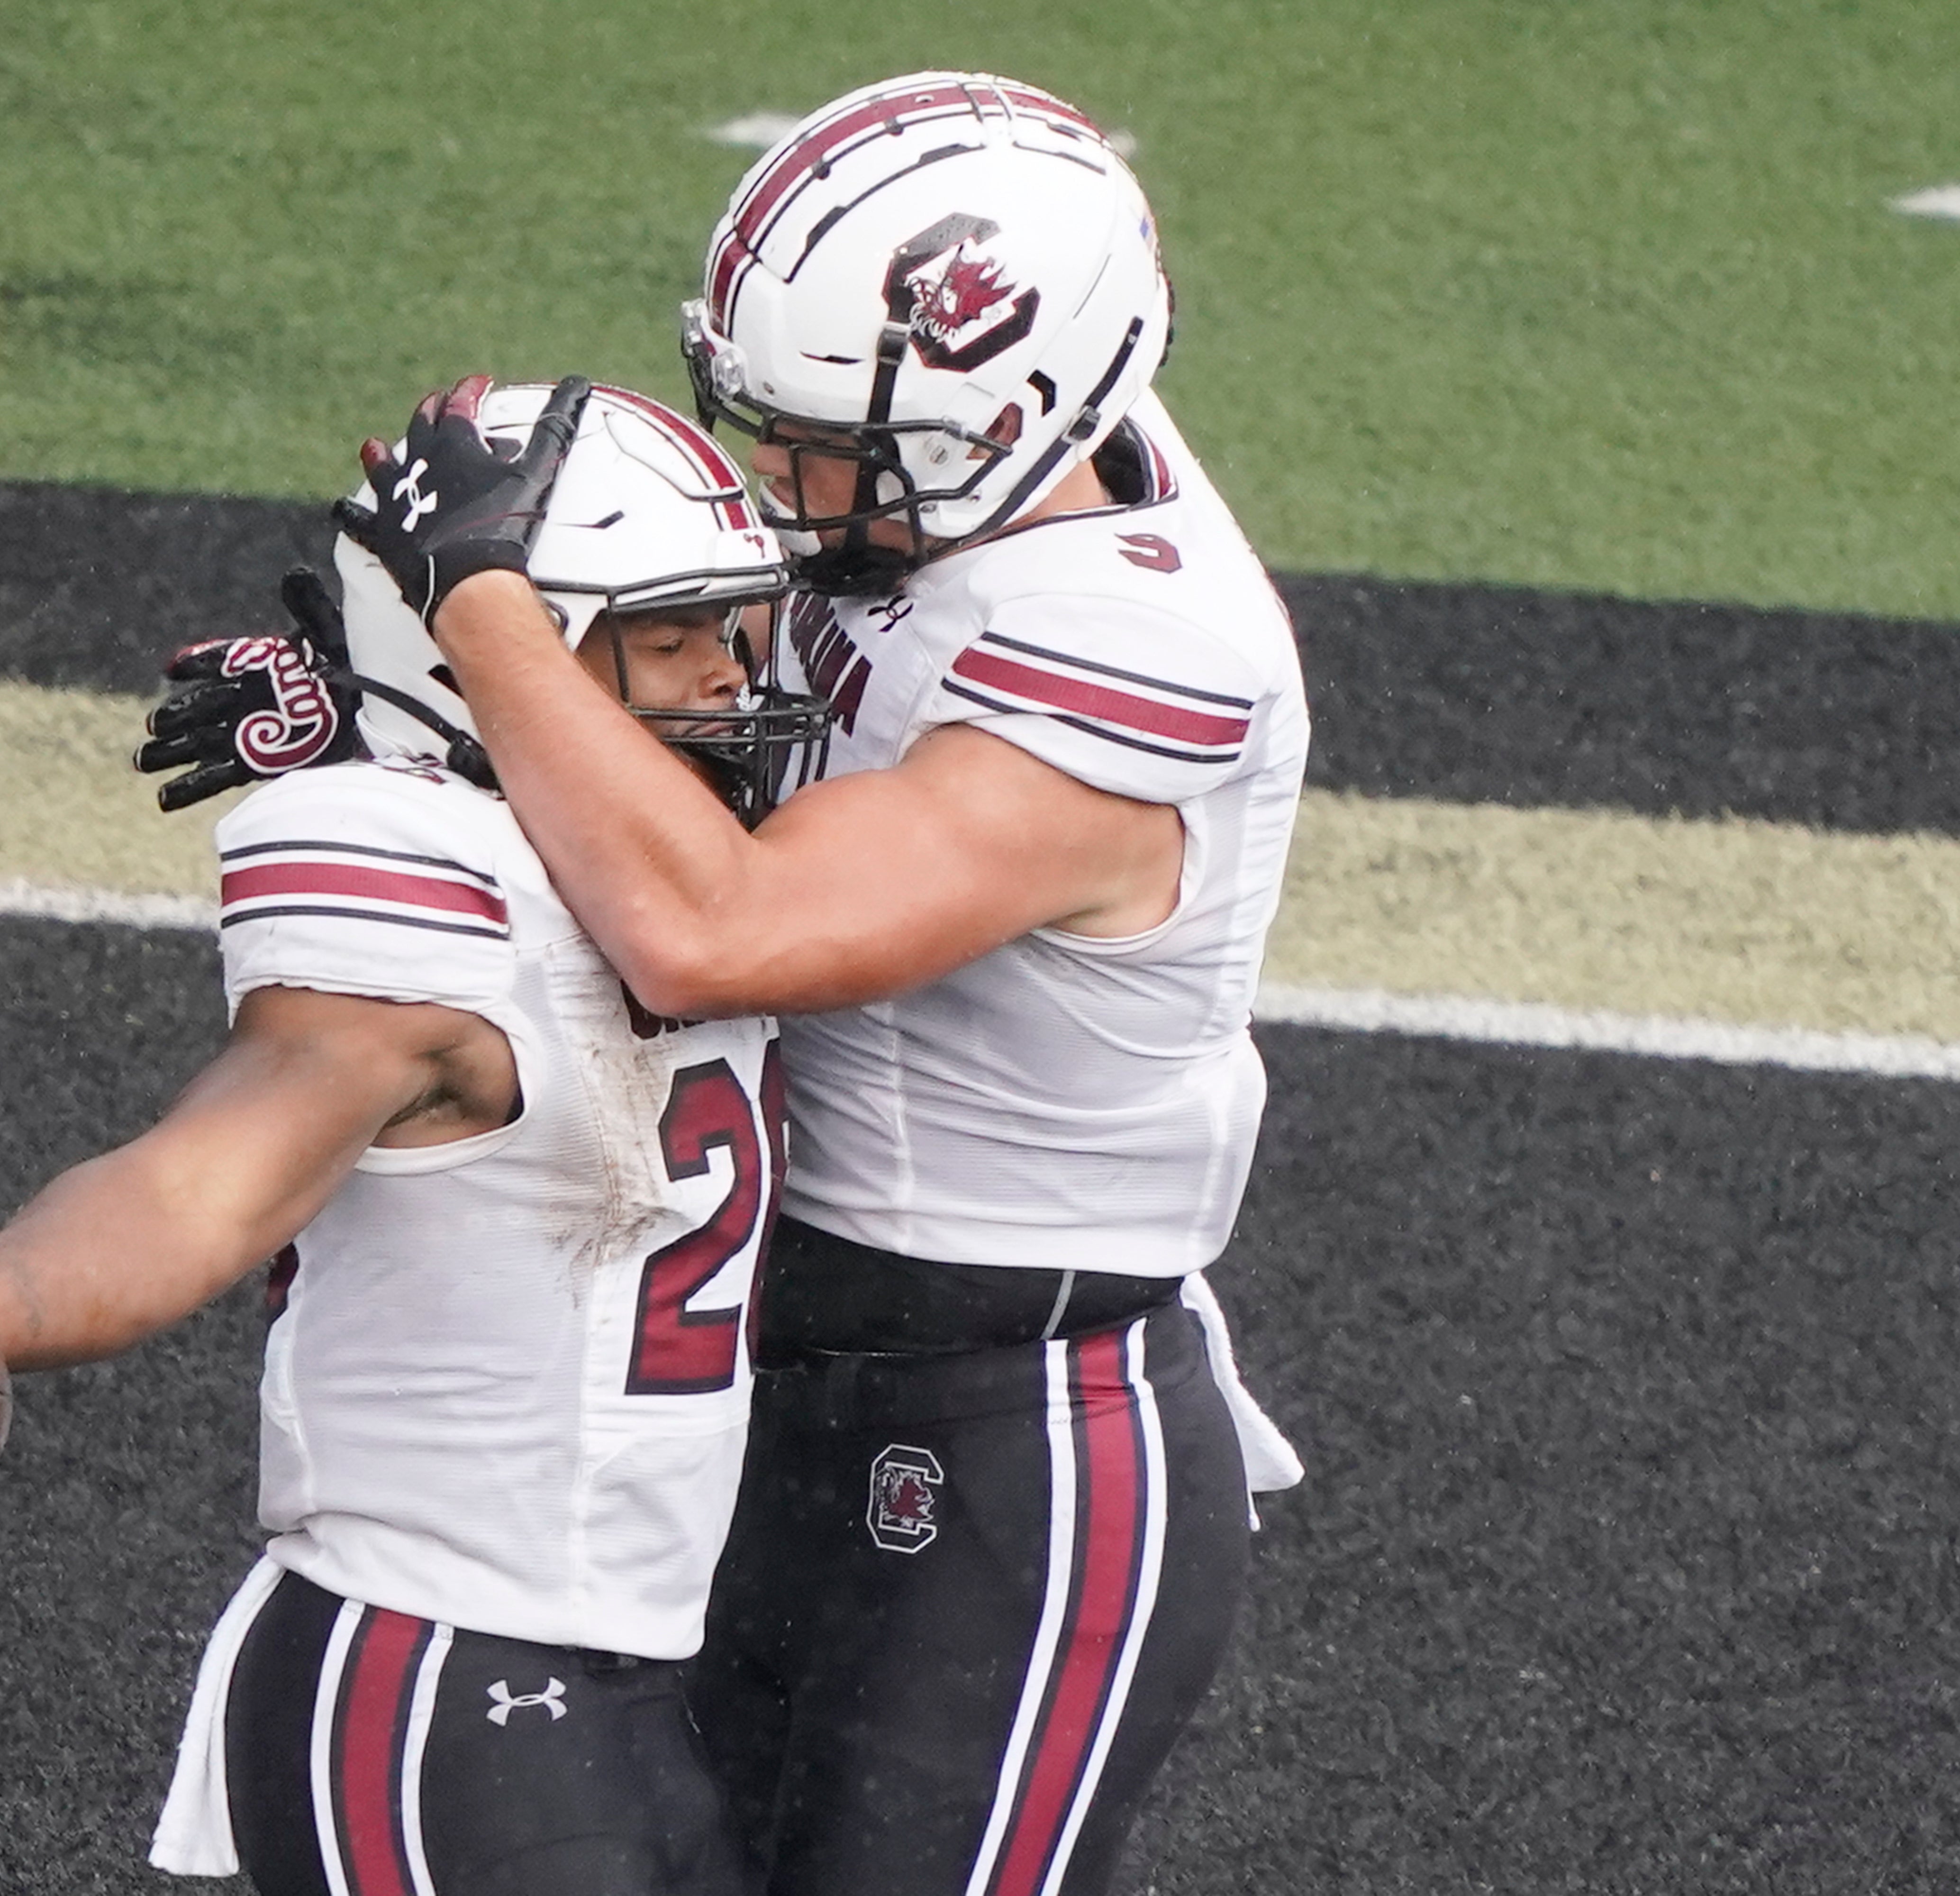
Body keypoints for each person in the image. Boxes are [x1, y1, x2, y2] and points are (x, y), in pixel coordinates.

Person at [332, 73, 1309, 1896]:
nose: (782, 493)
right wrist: (383, 708)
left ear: (1019, 418)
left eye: (823, 454)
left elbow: (718, 930)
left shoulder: (1139, 636)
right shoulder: (983, 464)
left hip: (1013, 1424)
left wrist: (475, 608)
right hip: (766, 1380)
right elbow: (678, 713)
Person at [0, 382, 829, 1896]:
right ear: (482, 664)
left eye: (735, 626)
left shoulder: (693, 870)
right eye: (670, 638)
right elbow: (200, 1184)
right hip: (442, 1669)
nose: (729, 680)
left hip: (626, 1664)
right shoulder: (424, 895)